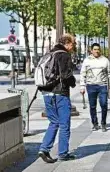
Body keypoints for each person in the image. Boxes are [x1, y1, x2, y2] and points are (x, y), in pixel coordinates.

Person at [38, 34, 77, 163]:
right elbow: (66, 75)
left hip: (46, 92)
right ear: (67, 43)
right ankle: (63, 153)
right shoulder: (64, 55)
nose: (73, 46)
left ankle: (44, 148)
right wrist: (73, 82)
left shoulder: (49, 54)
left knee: (53, 121)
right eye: (72, 44)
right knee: (64, 123)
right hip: (60, 93)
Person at [79, 43, 110, 132]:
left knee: (104, 104)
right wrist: (82, 86)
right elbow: (82, 73)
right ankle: (95, 123)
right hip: (90, 85)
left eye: (98, 49)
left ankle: (103, 123)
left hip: (102, 85)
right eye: (95, 49)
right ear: (91, 50)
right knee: (92, 106)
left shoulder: (105, 60)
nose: (96, 51)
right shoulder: (87, 60)